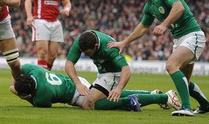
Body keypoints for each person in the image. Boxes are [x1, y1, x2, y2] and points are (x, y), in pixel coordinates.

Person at [107, 0, 209, 116]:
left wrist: (164, 24)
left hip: (192, 35)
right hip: (179, 39)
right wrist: (124, 42)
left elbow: (178, 7)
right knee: (185, 81)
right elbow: (142, 27)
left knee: (171, 65)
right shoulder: (149, 6)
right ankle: (205, 105)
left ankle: (186, 108)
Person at [11, 63, 180, 111]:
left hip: (78, 96)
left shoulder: (41, 95)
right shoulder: (31, 69)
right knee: (111, 94)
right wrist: (17, 82)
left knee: (111, 102)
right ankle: (153, 94)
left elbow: (34, 100)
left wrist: (17, 92)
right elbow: (19, 68)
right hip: (80, 82)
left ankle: (164, 97)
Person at [65, 30, 131, 110]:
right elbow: (68, 64)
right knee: (85, 100)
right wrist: (78, 83)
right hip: (102, 74)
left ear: (96, 46)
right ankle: (147, 96)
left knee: (88, 104)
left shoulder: (109, 47)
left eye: (88, 53)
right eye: (83, 52)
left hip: (114, 74)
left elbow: (126, 69)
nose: (85, 55)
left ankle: (129, 102)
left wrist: (119, 88)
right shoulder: (81, 40)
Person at [24, 0, 71, 70]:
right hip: (40, 21)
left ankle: (46, 75)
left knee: (53, 55)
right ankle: (42, 79)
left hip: (55, 22)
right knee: (42, 52)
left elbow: (67, 2)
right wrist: (29, 15)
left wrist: (67, 9)